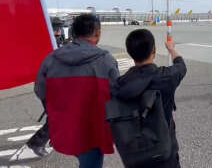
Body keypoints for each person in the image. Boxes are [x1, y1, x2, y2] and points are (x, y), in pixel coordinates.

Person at [34, 14, 120, 168]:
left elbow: (40, 90)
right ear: (98, 33)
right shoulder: (106, 60)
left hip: (64, 126)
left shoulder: (51, 59)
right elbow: (116, 95)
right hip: (92, 129)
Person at [111, 29, 187, 168]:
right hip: (164, 152)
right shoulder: (165, 77)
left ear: (129, 53)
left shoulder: (119, 85)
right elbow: (181, 66)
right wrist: (171, 49)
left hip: (134, 153)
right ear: (154, 49)